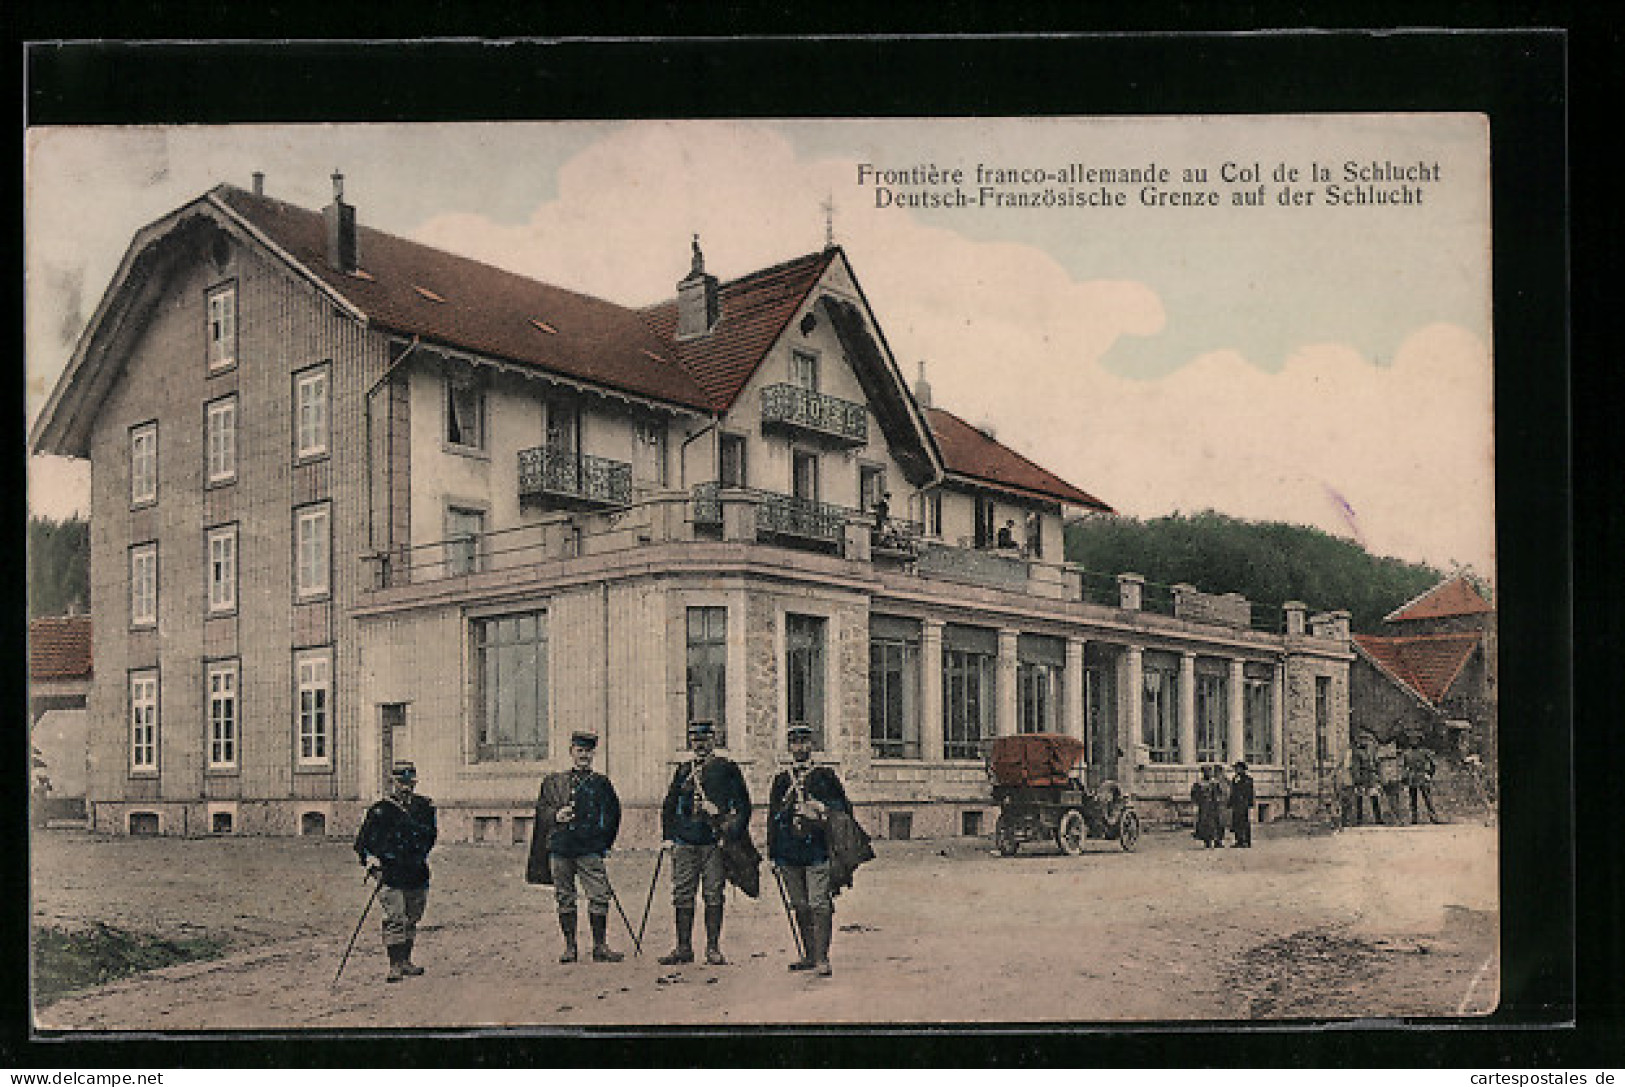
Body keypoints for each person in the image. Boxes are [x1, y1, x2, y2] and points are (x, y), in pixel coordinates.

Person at [659, 720, 752, 965]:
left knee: (713, 893)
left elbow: (743, 806)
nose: (700, 745)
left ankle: (712, 948)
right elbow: (669, 804)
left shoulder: (727, 768)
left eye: (704, 740)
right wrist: (668, 837)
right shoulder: (682, 770)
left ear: (714, 739)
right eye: (695, 740)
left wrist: (724, 824)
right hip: (684, 842)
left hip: (713, 842)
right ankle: (683, 948)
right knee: (682, 893)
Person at [532, 731, 624, 963]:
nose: (583, 755)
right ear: (571, 752)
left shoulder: (601, 783)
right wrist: (556, 815)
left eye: (588, 752)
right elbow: (542, 811)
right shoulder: (554, 782)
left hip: (589, 849)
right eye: (579, 751)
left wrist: (604, 843)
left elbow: (613, 815)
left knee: (599, 895)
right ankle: (570, 947)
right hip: (561, 848)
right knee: (565, 896)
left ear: (594, 754)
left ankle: (600, 946)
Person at [769, 722, 852, 976]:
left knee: (819, 903)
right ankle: (808, 954)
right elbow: (772, 819)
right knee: (800, 904)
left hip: (817, 849)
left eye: (804, 742)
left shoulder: (825, 776)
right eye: (795, 742)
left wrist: (821, 808)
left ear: (812, 746)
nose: (800, 747)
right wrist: (773, 854)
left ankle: (822, 958)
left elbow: (844, 810)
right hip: (788, 851)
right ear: (789, 747)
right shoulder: (782, 780)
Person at [354, 762, 438, 982]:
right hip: (390, 874)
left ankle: (406, 961)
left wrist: (418, 854)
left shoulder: (424, 807)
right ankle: (394, 965)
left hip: (416, 872)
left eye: (410, 783)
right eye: (401, 783)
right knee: (395, 917)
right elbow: (363, 843)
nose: (406, 788)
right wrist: (373, 865)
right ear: (392, 782)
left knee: (412, 917)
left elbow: (431, 836)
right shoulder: (380, 810)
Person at [1401, 737, 1443, 824]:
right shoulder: (1407, 753)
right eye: (1412, 740)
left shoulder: (1424, 752)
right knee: (1412, 799)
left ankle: (1433, 817)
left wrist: (1429, 774)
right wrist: (1404, 778)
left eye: (1415, 740)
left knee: (1427, 798)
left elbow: (1433, 764)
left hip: (1422, 776)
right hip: (1412, 778)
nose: (1413, 742)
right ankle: (1414, 818)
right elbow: (1404, 767)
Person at [1352, 732, 1386, 825]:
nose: (1365, 742)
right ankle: (1359, 819)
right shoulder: (1357, 753)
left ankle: (1378, 819)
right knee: (1360, 799)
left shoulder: (1371, 752)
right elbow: (1355, 767)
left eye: (1366, 740)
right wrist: (1357, 780)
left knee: (1374, 797)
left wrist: (1379, 776)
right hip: (1362, 777)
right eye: (1362, 740)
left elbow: (1377, 764)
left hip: (1371, 777)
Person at [1190, 765, 1223, 848]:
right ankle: (1207, 841)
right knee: (1204, 824)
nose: (1207, 773)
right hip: (1203, 806)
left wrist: (1218, 800)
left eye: (1208, 771)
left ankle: (1217, 840)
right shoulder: (1198, 783)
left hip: (1213, 806)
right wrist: (1196, 803)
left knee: (1215, 823)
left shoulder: (1214, 783)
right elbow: (1194, 795)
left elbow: (1219, 793)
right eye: (1205, 772)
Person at [1227, 761, 1255, 848]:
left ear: (1243, 769)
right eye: (1236, 769)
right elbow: (1233, 792)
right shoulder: (1235, 779)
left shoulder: (1248, 779)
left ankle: (1246, 841)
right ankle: (1239, 840)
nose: (1236, 770)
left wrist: (1250, 803)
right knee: (1236, 822)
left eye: (1238, 768)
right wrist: (1230, 802)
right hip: (1236, 804)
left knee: (1244, 822)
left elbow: (1250, 793)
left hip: (1243, 804)